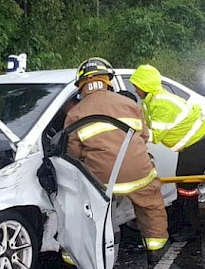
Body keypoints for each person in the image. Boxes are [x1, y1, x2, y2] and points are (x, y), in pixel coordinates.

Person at [65, 57, 169, 252]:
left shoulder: (75, 114)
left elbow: (73, 153)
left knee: (87, 211)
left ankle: (78, 258)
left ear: (81, 86)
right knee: (151, 205)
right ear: (107, 81)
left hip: (101, 180)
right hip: (139, 174)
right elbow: (144, 136)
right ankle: (156, 247)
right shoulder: (130, 104)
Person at [130, 64, 205, 242]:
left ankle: (191, 228)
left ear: (145, 86)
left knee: (187, 187)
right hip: (193, 145)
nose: (134, 89)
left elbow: (153, 135)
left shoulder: (161, 104)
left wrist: (129, 134)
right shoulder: (151, 101)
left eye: (137, 85)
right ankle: (182, 222)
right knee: (182, 185)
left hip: (200, 144)